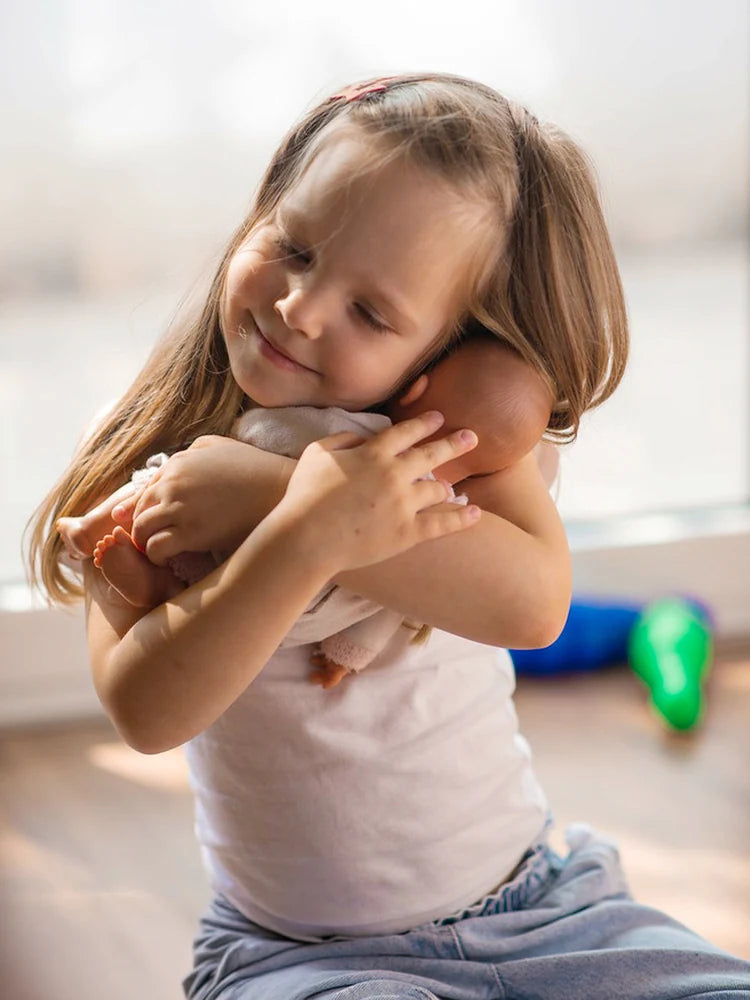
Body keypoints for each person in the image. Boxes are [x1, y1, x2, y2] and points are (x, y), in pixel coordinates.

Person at [26, 73, 750, 999]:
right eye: (292, 246)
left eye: (371, 312)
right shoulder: (156, 465)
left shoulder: (458, 449)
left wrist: (279, 496)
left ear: (443, 353)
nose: (301, 307)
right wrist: (304, 535)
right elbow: (147, 711)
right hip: (300, 956)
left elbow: (532, 608)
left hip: (543, 906)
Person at [55, 334, 553, 689]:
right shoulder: (433, 504)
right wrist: (346, 655)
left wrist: (258, 476)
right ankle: (162, 587)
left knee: (169, 478)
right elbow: (395, 611)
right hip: (309, 617)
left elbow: (273, 434)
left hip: (234, 583)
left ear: (417, 386)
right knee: (173, 490)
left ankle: (111, 535)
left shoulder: (350, 434)